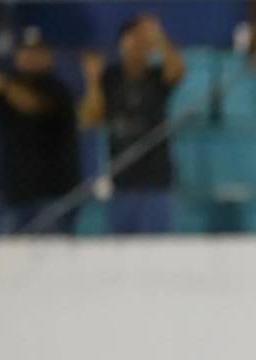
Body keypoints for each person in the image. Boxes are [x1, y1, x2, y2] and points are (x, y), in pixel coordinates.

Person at [78, 15, 184, 234]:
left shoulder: (156, 76)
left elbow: (177, 70)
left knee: (158, 248)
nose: (136, 46)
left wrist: (158, 37)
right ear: (120, 44)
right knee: (121, 250)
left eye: (141, 41)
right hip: (122, 181)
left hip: (156, 181)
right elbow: (90, 119)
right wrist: (92, 81)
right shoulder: (110, 78)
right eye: (131, 40)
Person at [0, 28, 80, 233]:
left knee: (54, 250)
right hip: (17, 194)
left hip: (53, 194)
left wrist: (4, 87)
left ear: (48, 56)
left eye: (37, 51)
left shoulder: (57, 88)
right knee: (11, 252)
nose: (30, 57)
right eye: (25, 51)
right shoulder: (6, 91)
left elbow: (34, 105)